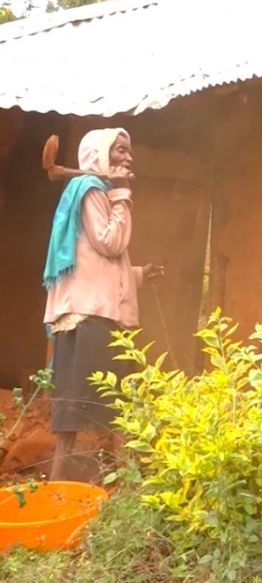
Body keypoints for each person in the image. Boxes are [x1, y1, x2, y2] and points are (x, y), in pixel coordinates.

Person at [42, 128, 163, 482]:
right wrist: (123, 195)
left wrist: (139, 273)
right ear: (100, 155)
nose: (128, 158)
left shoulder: (90, 192)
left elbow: (99, 265)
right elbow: (110, 243)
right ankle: (116, 487)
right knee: (109, 408)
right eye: (120, 151)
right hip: (90, 318)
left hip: (82, 315)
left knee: (75, 410)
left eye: (129, 151)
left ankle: (63, 485)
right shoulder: (93, 191)